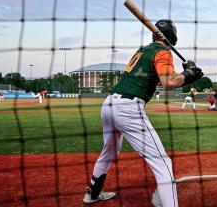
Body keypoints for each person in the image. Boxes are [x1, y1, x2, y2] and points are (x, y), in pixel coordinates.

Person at [83, 19, 203, 206]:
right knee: (163, 165)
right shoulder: (162, 52)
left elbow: (162, 78)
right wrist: (189, 75)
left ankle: (92, 193)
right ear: (173, 37)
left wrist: (187, 75)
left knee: (109, 151)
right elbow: (169, 82)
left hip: (109, 105)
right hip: (128, 109)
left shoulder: (144, 50)